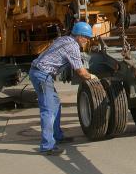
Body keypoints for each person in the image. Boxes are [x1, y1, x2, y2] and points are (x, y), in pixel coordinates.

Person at [29, 21, 98, 155]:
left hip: (41, 73)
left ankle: (57, 136)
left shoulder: (65, 39)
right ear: (79, 36)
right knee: (48, 109)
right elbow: (81, 72)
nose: (87, 40)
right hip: (42, 75)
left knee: (55, 104)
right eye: (87, 37)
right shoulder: (72, 46)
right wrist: (92, 77)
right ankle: (47, 146)